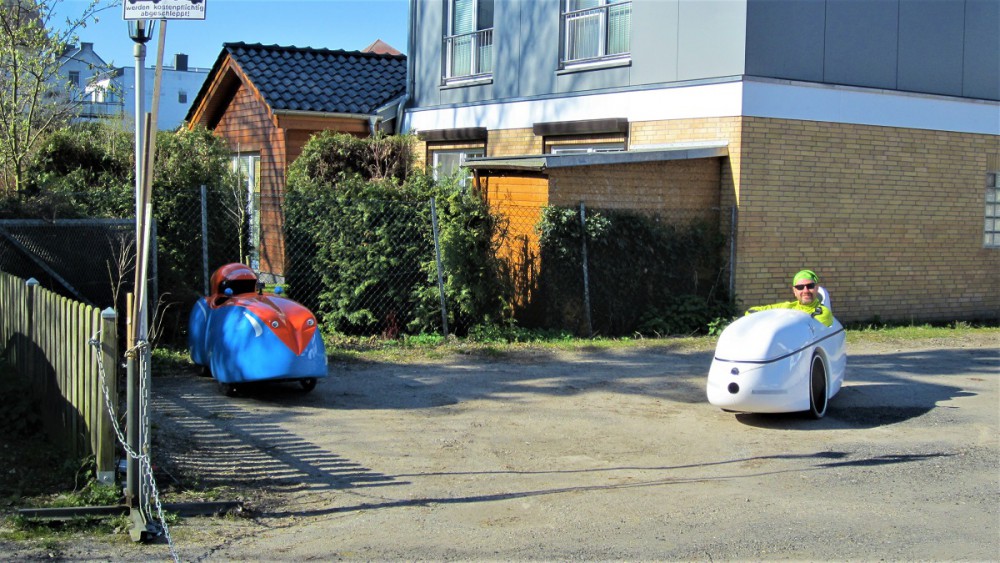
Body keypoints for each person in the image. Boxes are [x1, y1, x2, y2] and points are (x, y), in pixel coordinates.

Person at [746, 269, 833, 327]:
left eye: (810, 286)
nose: (805, 291)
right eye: (800, 287)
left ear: (816, 288)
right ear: (794, 291)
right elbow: (752, 311)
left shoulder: (823, 312)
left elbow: (807, 329)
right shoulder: (788, 306)